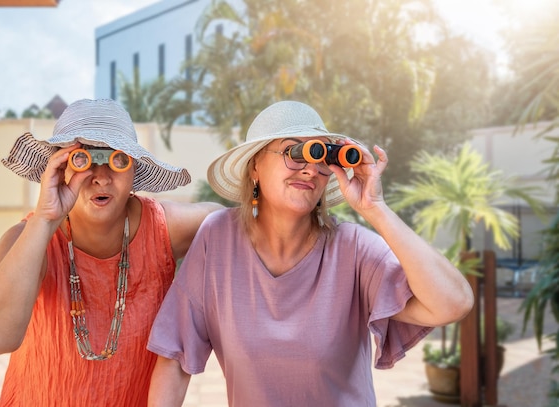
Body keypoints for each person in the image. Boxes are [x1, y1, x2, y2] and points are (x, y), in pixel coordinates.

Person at [146, 101, 474, 406]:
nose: (310, 169)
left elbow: (453, 303)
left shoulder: (353, 249)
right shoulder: (217, 239)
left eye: (321, 158)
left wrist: (376, 209)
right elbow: (174, 357)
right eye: (295, 152)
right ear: (255, 167)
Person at [0, 98, 222, 406]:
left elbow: (229, 222)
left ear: (134, 170)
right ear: (57, 169)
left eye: (117, 160)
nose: (100, 176)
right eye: (82, 160)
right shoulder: (27, 240)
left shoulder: (163, 228)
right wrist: (45, 219)